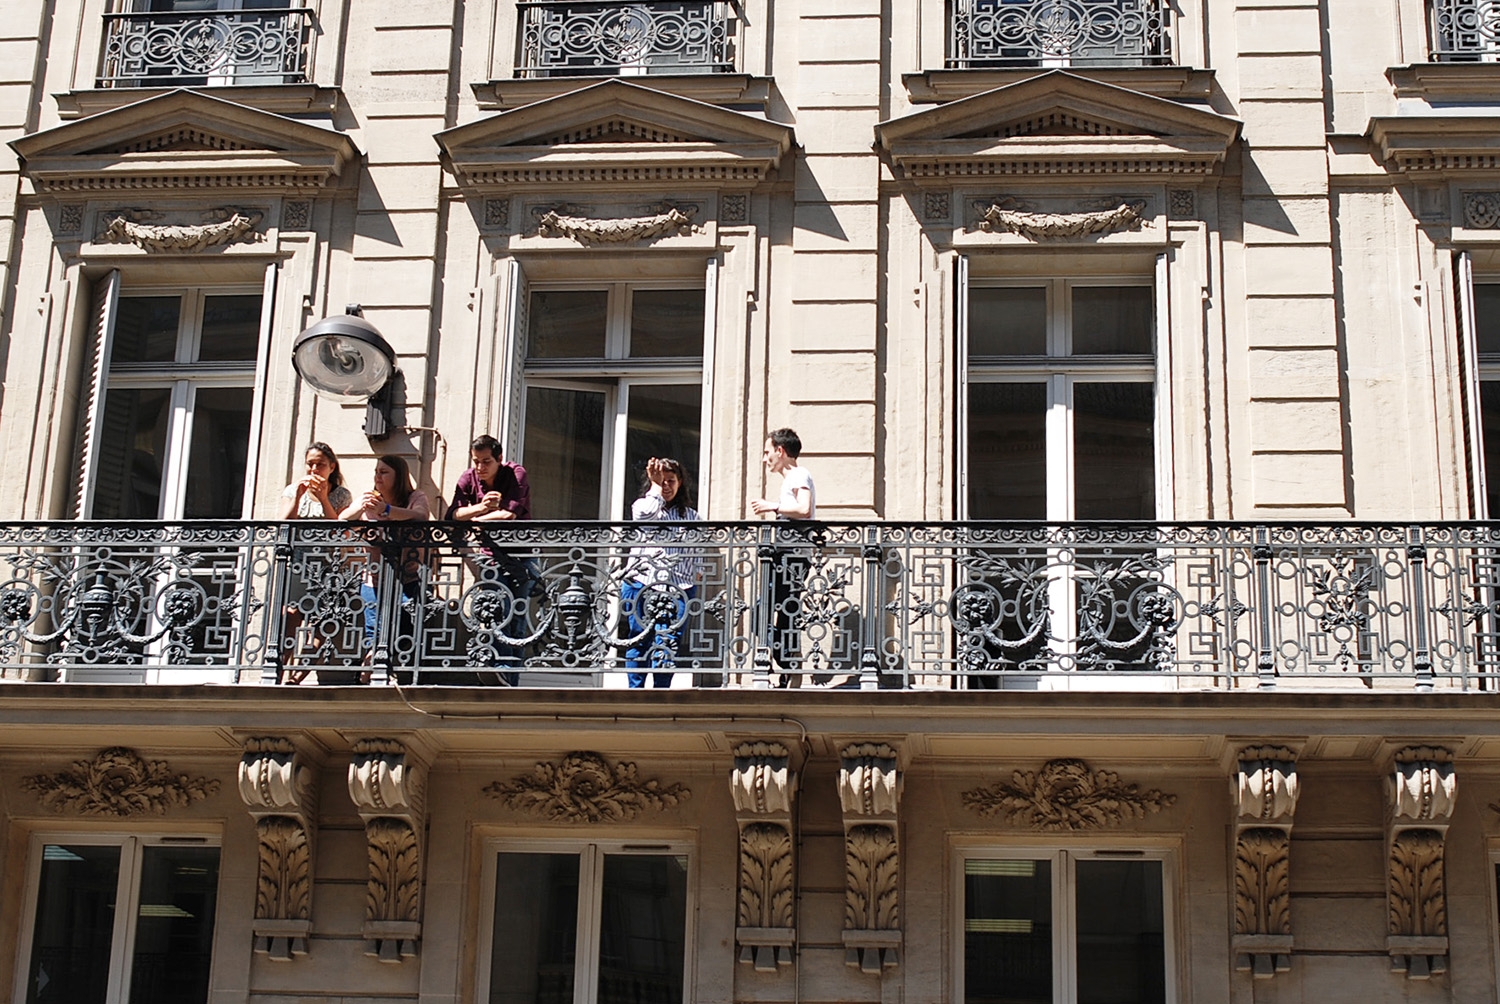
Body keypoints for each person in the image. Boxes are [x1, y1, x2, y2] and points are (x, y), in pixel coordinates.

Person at [447, 435, 533, 683]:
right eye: (476, 461)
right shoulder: (468, 478)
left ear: (499, 459)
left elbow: (510, 514)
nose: (480, 468)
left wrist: (473, 520)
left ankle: (509, 677)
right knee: (495, 612)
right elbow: (452, 514)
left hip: (519, 556)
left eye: (486, 462)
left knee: (515, 617)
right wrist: (482, 509)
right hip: (489, 557)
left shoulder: (516, 473)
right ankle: (497, 669)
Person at [341, 454, 430, 682]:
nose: (377, 476)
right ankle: (374, 669)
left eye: (384, 472)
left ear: (398, 475)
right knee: (373, 627)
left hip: (406, 577)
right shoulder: (369, 498)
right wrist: (361, 506)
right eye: (376, 471)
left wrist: (387, 510)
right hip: (374, 577)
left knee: (402, 625)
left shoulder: (414, 496)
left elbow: (420, 516)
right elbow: (343, 519)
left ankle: (396, 672)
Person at [622, 457, 702, 688]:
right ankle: (635, 692)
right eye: (661, 481)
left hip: (679, 588)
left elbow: (697, 552)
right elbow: (644, 517)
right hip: (641, 584)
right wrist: (654, 487)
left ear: (680, 482)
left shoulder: (692, 516)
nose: (666, 486)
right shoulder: (644, 505)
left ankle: (661, 693)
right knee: (638, 640)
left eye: (670, 481)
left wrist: (694, 574)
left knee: (668, 643)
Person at [278, 443, 353, 680]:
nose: (314, 469)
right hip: (300, 565)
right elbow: (283, 523)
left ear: (331, 467)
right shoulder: (293, 490)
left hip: (329, 569)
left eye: (319, 464)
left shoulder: (341, 494)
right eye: (310, 464)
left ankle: (297, 677)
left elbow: (340, 532)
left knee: (322, 623)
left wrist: (323, 499)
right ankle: (278, 673)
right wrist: (298, 497)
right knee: (289, 617)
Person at [750, 428, 816, 686]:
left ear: (780, 451)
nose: (765, 458)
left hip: (794, 554)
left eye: (768, 452)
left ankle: (790, 663)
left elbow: (804, 508)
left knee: (779, 609)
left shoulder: (799, 474)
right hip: (787, 553)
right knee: (775, 610)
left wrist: (772, 506)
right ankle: (788, 661)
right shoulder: (792, 478)